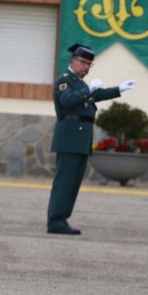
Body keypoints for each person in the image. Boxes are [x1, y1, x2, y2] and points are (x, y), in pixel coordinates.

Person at [47, 43, 134, 235]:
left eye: (89, 64)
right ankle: (55, 220)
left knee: (73, 182)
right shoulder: (65, 80)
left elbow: (96, 95)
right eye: (84, 62)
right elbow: (67, 100)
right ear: (73, 61)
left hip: (80, 138)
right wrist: (88, 91)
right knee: (65, 181)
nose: (86, 67)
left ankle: (62, 218)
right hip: (69, 137)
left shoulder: (79, 83)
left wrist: (118, 89)